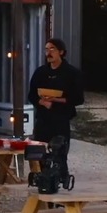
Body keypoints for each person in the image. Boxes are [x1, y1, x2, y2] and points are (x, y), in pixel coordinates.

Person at [28, 38, 85, 180]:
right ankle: (41, 181)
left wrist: (55, 100)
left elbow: (78, 99)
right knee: (39, 153)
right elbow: (31, 94)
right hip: (42, 119)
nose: (48, 53)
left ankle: (61, 183)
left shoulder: (72, 73)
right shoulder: (40, 72)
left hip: (61, 119)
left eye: (52, 49)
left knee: (60, 154)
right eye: (46, 49)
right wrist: (41, 101)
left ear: (61, 52)